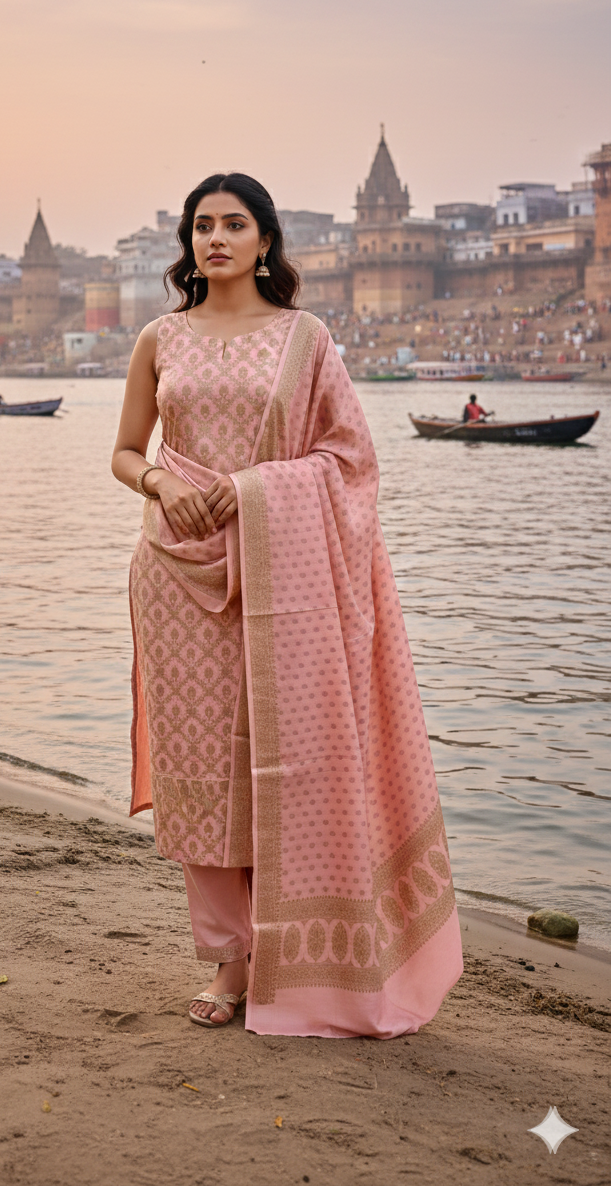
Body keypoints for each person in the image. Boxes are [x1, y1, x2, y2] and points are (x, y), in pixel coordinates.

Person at [111, 172, 463, 1039]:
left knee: (287, 758)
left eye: (234, 224)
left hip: (284, 581)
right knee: (201, 771)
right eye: (202, 225)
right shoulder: (160, 337)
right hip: (176, 574)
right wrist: (161, 483)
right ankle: (230, 959)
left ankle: (292, 947)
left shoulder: (306, 339)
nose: (215, 239)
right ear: (188, 243)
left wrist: (250, 491)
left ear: (265, 240)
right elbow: (124, 452)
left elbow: (350, 461)